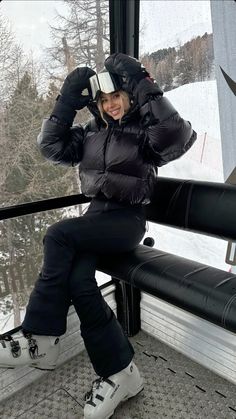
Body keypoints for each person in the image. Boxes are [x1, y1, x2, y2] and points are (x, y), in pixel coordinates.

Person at [0, 53, 196, 419]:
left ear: (129, 95)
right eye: (103, 100)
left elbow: (175, 135)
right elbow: (51, 146)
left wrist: (140, 78)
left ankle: (41, 337)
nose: (110, 105)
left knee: (57, 234)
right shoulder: (92, 132)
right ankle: (122, 374)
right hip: (95, 220)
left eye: (116, 96)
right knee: (78, 279)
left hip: (127, 220)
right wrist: (68, 98)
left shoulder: (146, 131)